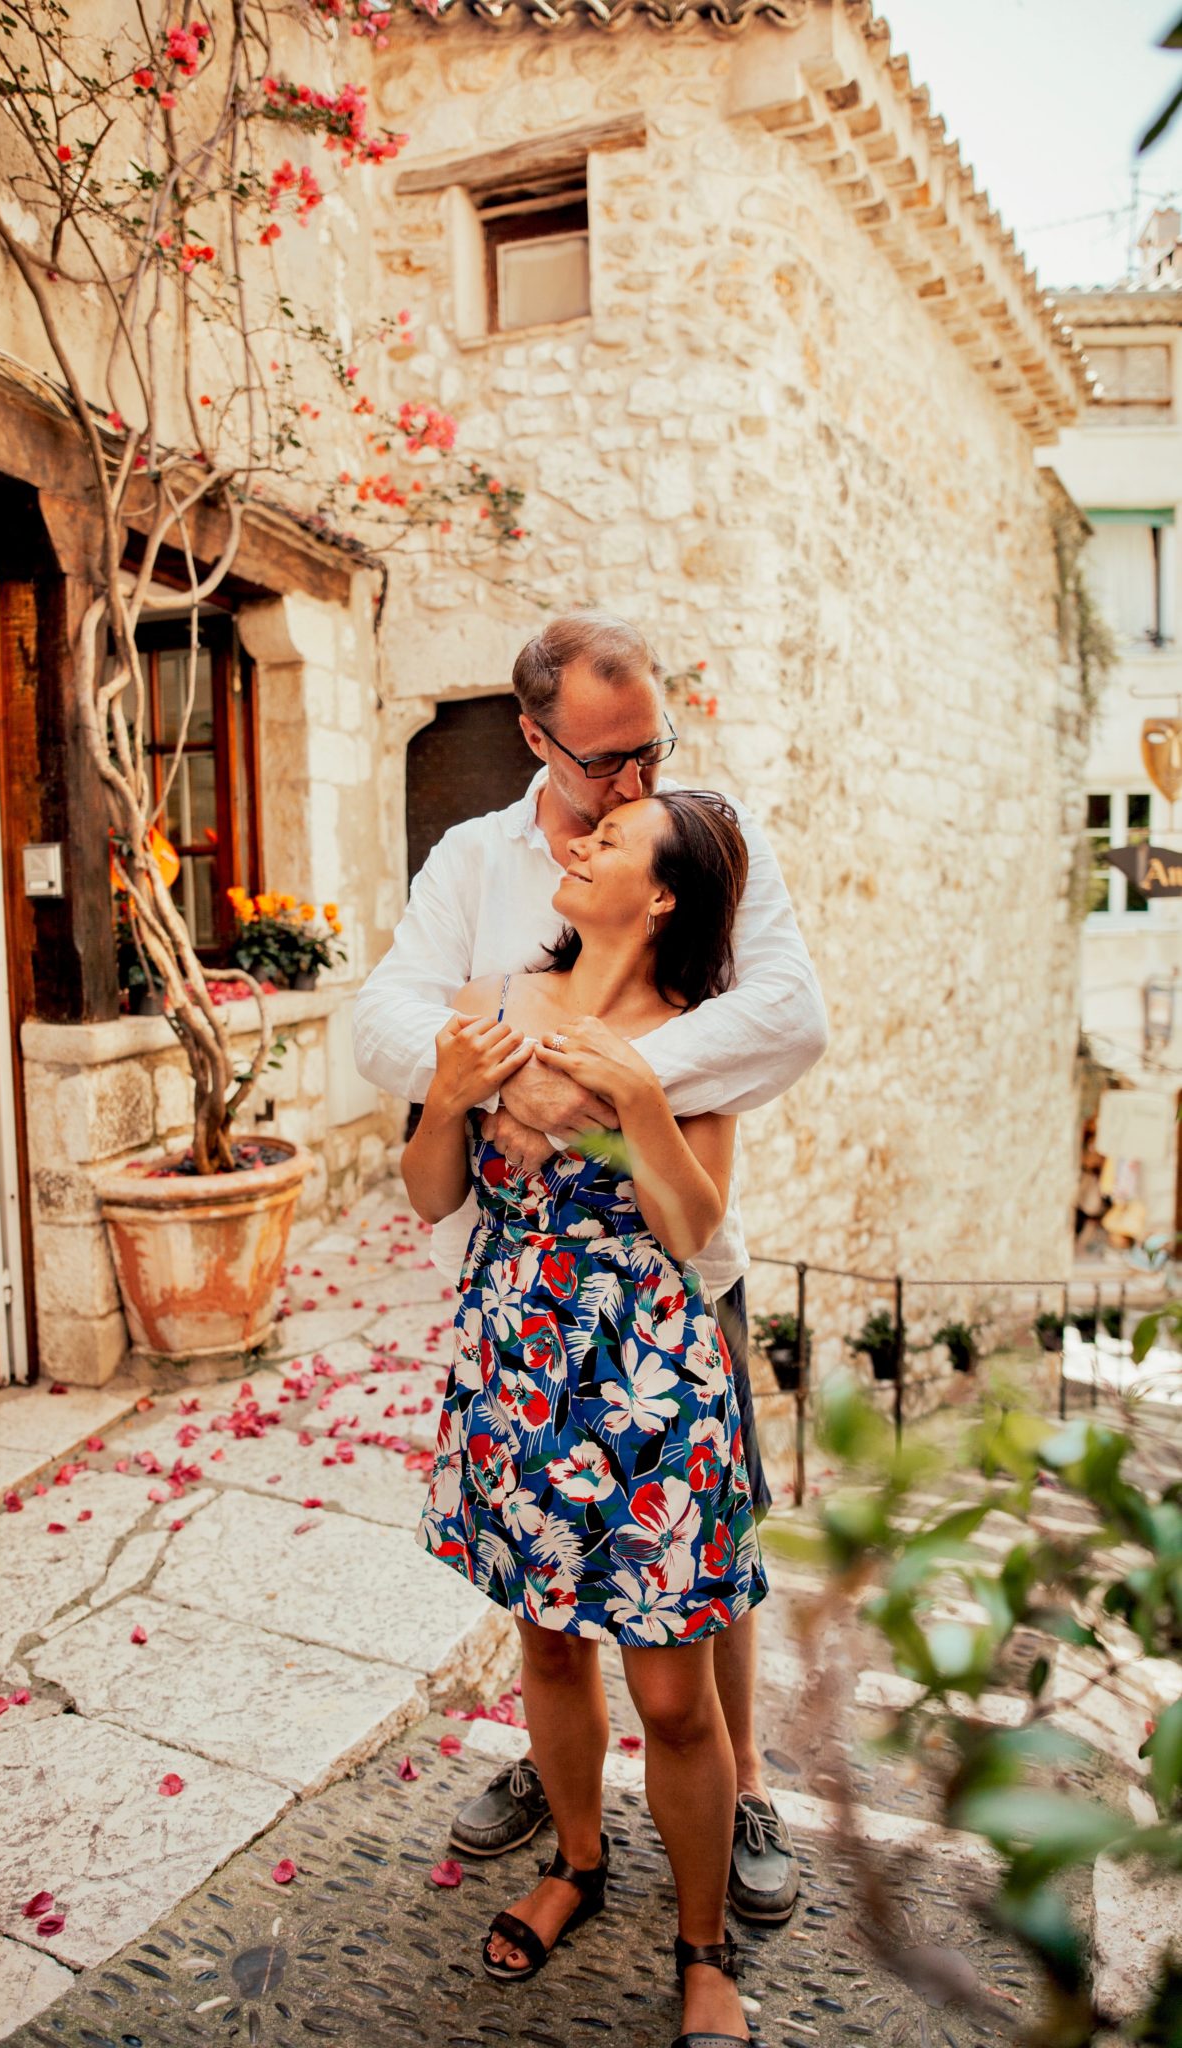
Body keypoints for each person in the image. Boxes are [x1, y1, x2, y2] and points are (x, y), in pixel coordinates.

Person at [353, 610, 827, 1930]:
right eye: (605, 759)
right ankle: (567, 1796)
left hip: (673, 1287)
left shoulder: (702, 833)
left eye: (650, 750)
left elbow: (786, 1016)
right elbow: (383, 1020)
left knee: (706, 1562)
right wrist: (496, 1076)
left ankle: (738, 1791)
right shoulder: (473, 858)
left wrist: (596, 1084)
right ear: (534, 736)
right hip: (520, 1296)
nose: (635, 782)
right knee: (547, 1598)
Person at [402, 787, 763, 2046]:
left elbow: (695, 1229)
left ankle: (704, 1944)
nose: (581, 839)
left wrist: (642, 1102)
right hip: (515, 1369)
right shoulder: (495, 999)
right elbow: (430, 1193)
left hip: (650, 1387)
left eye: (613, 839)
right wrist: (446, 1099)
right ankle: (578, 1860)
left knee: (675, 1697)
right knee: (549, 1647)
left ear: (661, 895)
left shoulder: (698, 1039)